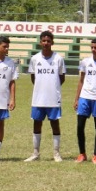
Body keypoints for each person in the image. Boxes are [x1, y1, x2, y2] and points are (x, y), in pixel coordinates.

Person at [25, 30, 67, 162]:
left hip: (53, 98)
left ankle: (56, 153)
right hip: (38, 98)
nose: (46, 43)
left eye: (48, 41)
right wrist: (41, 87)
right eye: (44, 40)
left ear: (52, 43)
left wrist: (52, 88)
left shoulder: (58, 59)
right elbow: (33, 78)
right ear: (40, 42)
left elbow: (62, 78)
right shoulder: (35, 59)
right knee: (37, 124)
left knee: (55, 124)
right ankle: (35, 153)